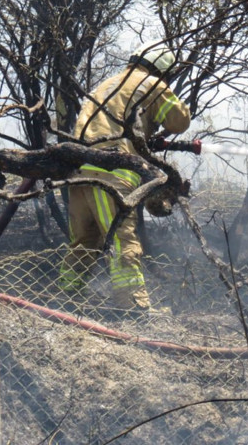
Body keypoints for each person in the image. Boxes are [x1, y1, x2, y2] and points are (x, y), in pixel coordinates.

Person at [58, 40, 191, 312]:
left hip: (79, 169)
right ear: (161, 70)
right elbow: (179, 122)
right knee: (123, 241)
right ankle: (133, 307)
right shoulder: (152, 84)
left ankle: (66, 301)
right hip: (113, 171)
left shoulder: (109, 83)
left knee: (84, 242)